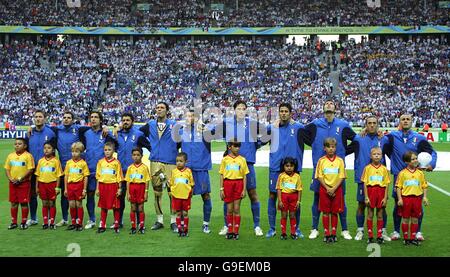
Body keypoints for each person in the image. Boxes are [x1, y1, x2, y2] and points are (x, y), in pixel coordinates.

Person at [302, 99, 355, 240]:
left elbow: (356, 140)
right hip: (320, 169)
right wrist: (314, 145)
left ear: (335, 108)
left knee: (341, 199)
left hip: (337, 170)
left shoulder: (343, 125)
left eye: (331, 103)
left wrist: (344, 152)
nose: (329, 105)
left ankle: (344, 230)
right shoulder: (315, 124)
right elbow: (301, 133)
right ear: (323, 108)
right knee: (317, 198)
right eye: (327, 103)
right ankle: (314, 228)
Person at [383, 113, 437, 241]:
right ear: (399, 122)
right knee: (398, 204)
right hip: (399, 176)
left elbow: (432, 152)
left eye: (408, 119)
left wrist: (431, 164)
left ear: (412, 122)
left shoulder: (419, 138)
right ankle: (396, 231)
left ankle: (417, 232)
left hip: (415, 177)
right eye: (403, 119)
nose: (406, 121)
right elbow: (379, 146)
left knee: (418, 205)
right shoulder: (391, 137)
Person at [215, 100, 263, 237]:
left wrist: (257, 144)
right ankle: (227, 225)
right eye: (239, 108)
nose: (241, 110)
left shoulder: (252, 123)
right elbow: (211, 132)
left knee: (253, 194)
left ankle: (257, 226)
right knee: (228, 198)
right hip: (230, 164)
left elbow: (268, 132)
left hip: (247, 163)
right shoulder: (227, 123)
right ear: (234, 110)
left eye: (243, 108)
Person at [346, 115, 390, 241]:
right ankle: (360, 230)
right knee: (361, 204)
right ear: (365, 125)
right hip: (363, 178)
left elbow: (394, 153)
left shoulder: (384, 139)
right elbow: (345, 151)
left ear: (378, 125)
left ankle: (382, 231)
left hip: (381, 180)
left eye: (374, 123)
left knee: (382, 206)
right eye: (369, 123)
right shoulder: (359, 138)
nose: (371, 125)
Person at [265, 103, 305, 238]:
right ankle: (272, 228)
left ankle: (296, 229)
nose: (283, 113)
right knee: (272, 196)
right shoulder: (272, 128)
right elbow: (258, 140)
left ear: (290, 113)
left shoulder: (298, 127)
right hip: (276, 168)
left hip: (293, 169)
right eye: (281, 111)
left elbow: (313, 136)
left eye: (286, 111)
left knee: (295, 198)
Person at [139, 102, 179, 232]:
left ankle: (173, 220)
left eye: (162, 108)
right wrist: (151, 148)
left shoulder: (174, 125)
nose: (159, 109)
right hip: (155, 161)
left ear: (167, 110)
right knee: (157, 192)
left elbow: (181, 141)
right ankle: (159, 220)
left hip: (171, 161)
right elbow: (138, 135)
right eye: (157, 107)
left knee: (172, 192)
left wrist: (172, 150)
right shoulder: (150, 124)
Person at [176, 109, 213, 234]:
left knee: (206, 195)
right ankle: (181, 224)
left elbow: (218, 130)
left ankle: (206, 224)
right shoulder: (181, 131)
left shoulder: (205, 130)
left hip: (201, 168)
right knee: (182, 197)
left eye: (193, 116)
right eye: (188, 116)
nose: (190, 118)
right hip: (186, 170)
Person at [79, 111, 116, 230]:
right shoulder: (85, 133)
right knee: (90, 195)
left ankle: (107, 221)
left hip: (104, 171)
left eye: (96, 117)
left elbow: (116, 145)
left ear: (101, 120)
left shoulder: (106, 134)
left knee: (105, 196)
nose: (93, 119)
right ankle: (92, 219)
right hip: (89, 169)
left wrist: (108, 129)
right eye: (92, 117)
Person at [113, 113, 150, 229]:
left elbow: (150, 147)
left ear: (132, 122)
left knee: (138, 200)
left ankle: (140, 223)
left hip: (135, 173)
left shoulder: (138, 134)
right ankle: (118, 221)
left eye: (128, 120)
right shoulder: (116, 134)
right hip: (121, 172)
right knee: (120, 197)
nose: (125, 122)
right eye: (123, 120)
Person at [27, 110, 56, 226]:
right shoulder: (29, 133)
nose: (38, 118)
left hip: (47, 170)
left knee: (49, 196)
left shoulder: (51, 133)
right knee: (32, 194)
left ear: (44, 118)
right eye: (36, 116)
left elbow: (54, 149)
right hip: (32, 169)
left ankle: (50, 218)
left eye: (40, 116)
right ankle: (33, 218)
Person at [315, 137, 346, 243]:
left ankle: (333, 233)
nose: (331, 149)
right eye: (328, 147)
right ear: (324, 148)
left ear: (336, 148)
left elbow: (342, 176)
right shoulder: (321, 161)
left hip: (337, 189)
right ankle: (326, 233)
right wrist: (328, 188)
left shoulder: (340, 161)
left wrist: (333, 188)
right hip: (324, 189)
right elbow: (319, 176)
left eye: (333, 147)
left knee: (334, 212)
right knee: (325, 212)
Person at [396, 151, 429, 246]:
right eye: (413, 159)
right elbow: (398, 187)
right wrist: (400, 199)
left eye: (416, 158)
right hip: (406, 199)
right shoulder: (402, 173)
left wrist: (425, 197)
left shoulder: (420, 173)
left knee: (415, 219)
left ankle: (412, 238)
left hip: (417, 199)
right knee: (405, 219)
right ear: (407, 162)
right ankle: (406, 238)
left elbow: (424, 185)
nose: (415, 160)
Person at [219, 140, 249, 240]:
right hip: (227, 184)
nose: (237, 148)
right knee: (229, 209)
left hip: (238, 184)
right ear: (229, 147)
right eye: (235, 146)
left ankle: (236, 232)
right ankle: (230, 230)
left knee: (236, 209)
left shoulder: (242, 160)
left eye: (239, 146)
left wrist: (244, 189)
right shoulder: (225, 160)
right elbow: (222, 175)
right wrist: (221, 189)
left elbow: (245, 175)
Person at [361, 147, 390, 244]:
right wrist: (366, 196)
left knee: (380, 214)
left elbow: (386, 184)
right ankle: (370, 236)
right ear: (370, 156)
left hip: (381, 192)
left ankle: (379, 236)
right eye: (374, 154)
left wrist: (385, 198)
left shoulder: (384, 169)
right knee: (370, 214)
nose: (377, 156)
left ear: (382, 156)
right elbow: (365, 183)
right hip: (371, 191)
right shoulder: (367, 168)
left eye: (379, 154)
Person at [5, 138, 35, 230]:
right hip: (13, 183)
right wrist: (10, 178)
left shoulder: (28, 156)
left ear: (25, 146)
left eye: (19, 144)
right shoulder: (10, 156)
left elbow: (30, 169)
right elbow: (7, 168)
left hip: (24, 183)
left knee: (23, 203)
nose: (17, 145)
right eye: (15, 144)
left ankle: (23, 222)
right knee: (13, 203)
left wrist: (21, 178)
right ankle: (14, 222)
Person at [95, 142, 124, 233]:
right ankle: (102, 224)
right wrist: (97, 188)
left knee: (115, 206)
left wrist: (119, 188)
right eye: (105, 150)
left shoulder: (116, 162)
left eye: (109, 150)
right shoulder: (100, 162)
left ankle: (116, 224)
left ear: (113, 151)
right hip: (103, 186)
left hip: (113, 186)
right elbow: (98, 177)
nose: (107, 152)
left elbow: (119, 177)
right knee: (103, 206)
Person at [35, 142, 63, 229]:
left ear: (53, 150)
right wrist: (37, 187)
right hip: (42, 184)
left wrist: (57, 187)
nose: (46, 150)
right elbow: (38, 175)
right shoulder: (41, 161)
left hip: (52, 184)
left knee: (51, 203)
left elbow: (58, 175)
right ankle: (45, 222)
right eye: (45, 148)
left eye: (49, 148)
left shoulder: (56, 161)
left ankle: (52, 222)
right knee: (44, 203)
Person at [64, 142, 90, 231]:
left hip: (79, 185)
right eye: (73, 151)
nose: (74, 153)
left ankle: (79, 223)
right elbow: (66, 176)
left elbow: (86, 176)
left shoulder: (83, 163)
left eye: (76, 151)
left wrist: (84, 189)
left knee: (78, 204)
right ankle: (73, 222)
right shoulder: (68, 163)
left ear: (81, 152)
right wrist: (66, 188)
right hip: (70, 185)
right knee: (71, 204)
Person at [125, 147, 151, 235]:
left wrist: (146, 192)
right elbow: (128, 181)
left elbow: (147, 180)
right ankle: (133, 227)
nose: (136, 157)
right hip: (132, 188)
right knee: (133, 208)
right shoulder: (130, 168)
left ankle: (141, 226)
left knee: (140, 208)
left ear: (142, 156)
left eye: (138, 155)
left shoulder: (144, 167)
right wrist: (127, 193)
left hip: (141, 188)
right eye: (134, 155)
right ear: (132, 156)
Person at [276, 157, 302, 240]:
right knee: (284, 215)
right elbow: (279, 188)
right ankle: (283, 233)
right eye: (287, 166)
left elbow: (299, 190)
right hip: (284, 197)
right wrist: (279, 200)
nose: (289, 168)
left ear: (294, 167)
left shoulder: (297, 176)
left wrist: (298, 201)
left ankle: (293, 233)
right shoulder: (281, 176)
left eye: (291, 166)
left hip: (293, 197)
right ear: (283, 166)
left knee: (292, 215)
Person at [169, 152, 194, 237]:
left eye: (181, 161)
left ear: (185, 162)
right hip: (176, 196)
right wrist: (172, 191)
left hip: (186, 196)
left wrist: (191, 193)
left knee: (185, 213)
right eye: (177, 161)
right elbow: (171, 183)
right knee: (178, 213)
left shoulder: (188, 171)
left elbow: (192, 184)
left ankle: (185, 229)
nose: (178, 163)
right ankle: (180, 229)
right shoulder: (173, 172)